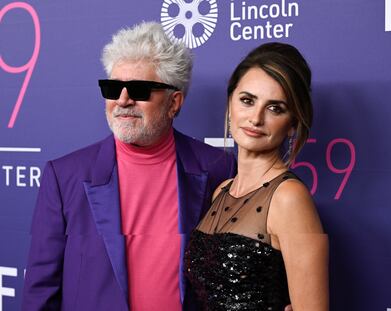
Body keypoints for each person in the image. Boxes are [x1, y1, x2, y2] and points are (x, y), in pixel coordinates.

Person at [22, 22, 237, 311]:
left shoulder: (219, 168)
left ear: (174, 103)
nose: (122, 100)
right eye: (113, 88)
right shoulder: (65, 176)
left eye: (139, 89)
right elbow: (40, 289)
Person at [185, 42, 329, 311]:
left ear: (293, 124)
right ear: (230, 104)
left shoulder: (289, 198)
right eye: (247, 100)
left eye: (275, 108)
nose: (256, 118)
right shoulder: (222, 191)